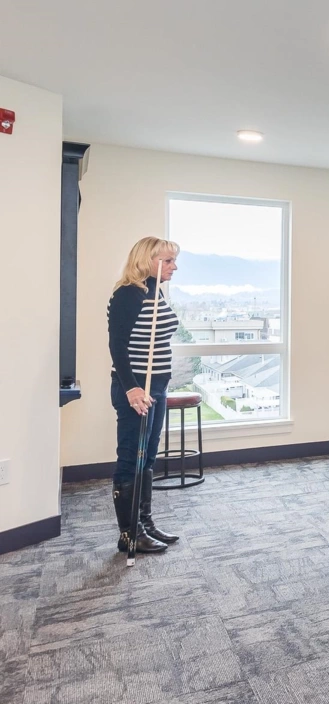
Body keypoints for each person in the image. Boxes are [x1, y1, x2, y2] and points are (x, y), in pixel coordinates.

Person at [108, 237, 181, 554]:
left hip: (158, 387)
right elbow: (117, 345)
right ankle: (129, 534)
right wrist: (132, 387)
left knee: (148, 457)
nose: (174, 267)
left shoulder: (155, 291)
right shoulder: (128, 294)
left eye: (174, 260)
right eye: (168, 260)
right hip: (137, 389)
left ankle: (145, 523)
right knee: (131, 459)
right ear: (146, 260)